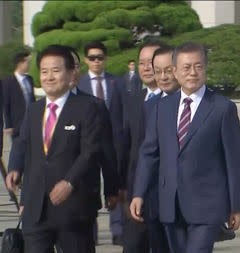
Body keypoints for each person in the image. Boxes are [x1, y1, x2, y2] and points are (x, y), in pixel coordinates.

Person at [130, 42, 240, 253]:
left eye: (198, 66)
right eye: (186, 67)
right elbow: (149, 154)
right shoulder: (162, 108)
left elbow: (234, 160)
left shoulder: (222, 108)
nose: (193, 72)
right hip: (171, 204)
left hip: (207, 205)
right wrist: (139, 193)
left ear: (205, 69)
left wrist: (236, 205)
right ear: (175, 71)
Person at [7, 45, 101, 253]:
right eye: (44, 71)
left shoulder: (87, 108)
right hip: (36, 209)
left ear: (70, 74)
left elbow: (90, 151)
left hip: (72, 208)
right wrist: (14, 167)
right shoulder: (34, 110)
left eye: (56, 71)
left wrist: (70, 182)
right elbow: (23, 144)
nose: (49, 77)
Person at [122, 40, 170, 253]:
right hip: (137, 193)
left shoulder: (176, 100)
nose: (146, 67)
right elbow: (125, 146)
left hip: (166, 193)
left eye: (151, 62)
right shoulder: (133, 100)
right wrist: (121, 187)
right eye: (141, 62)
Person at [78, 40, 126, 245]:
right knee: (90, 186)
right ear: (86, 60)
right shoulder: (79, 84)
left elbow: (124, 113)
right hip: (86, 143)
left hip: (112, 142)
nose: (96, 61)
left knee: (114, 184)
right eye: (92, 58)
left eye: (100, 57)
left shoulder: (118, 83)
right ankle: (92, 231)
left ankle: (118, 230)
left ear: (105, 59)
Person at [2, 50, 36, 139]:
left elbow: (32, 99)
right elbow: (6, 104)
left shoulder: (29, 79)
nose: (29, 65)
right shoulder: (7, 82)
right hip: (17, 123)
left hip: (31, 121)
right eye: (28, 62)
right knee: (18, 149)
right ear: (20, 63)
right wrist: (8, 125)